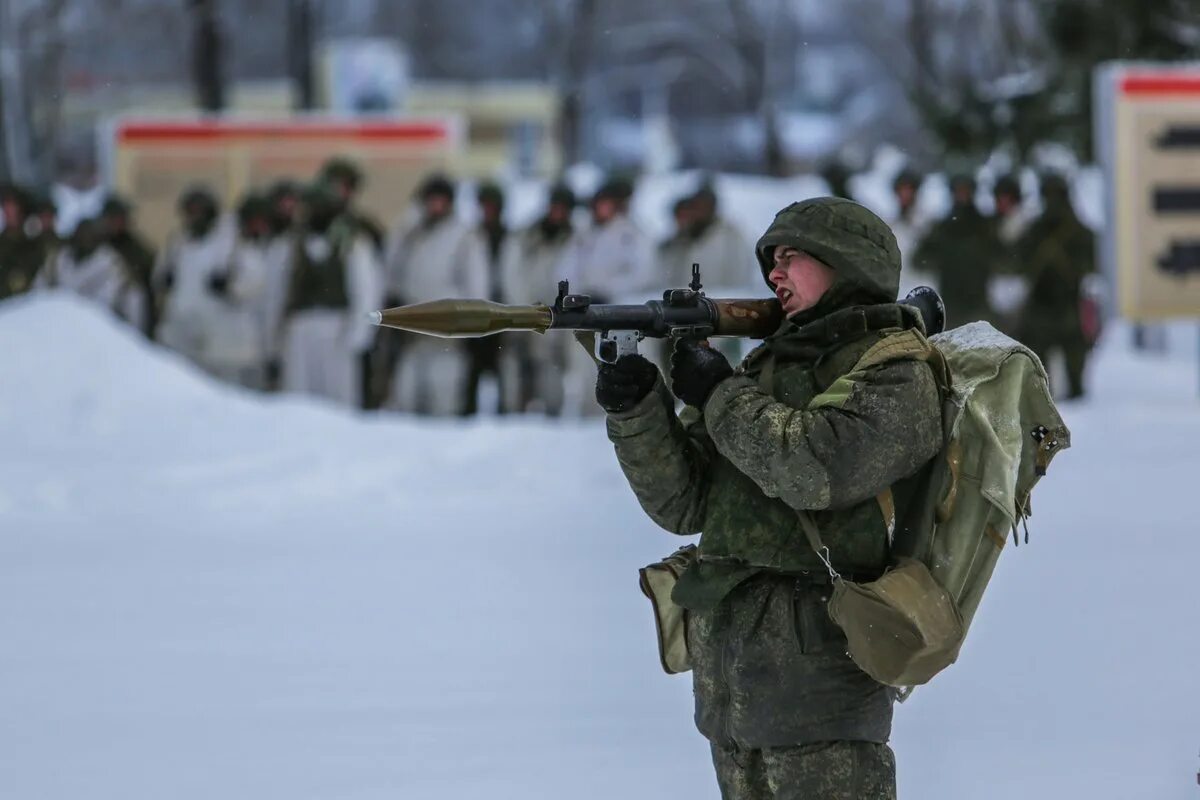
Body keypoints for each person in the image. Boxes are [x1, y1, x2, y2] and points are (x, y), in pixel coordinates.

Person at [594, 197, 943, 800]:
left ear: (847, 264)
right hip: (734, 690)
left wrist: (720, 393)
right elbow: (687, 503)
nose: (774, 275)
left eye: (791, 258)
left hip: (823, 691)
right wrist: (638, 411)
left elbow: (816, 468)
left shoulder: (896, 372)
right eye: (771, 262)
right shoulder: (770, 366)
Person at [383, 174, 487, 415]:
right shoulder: (411, 234)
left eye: (441, 200)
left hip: (448, 336)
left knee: (444, 403)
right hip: (412, 334)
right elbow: (393, 274)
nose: (435, 205)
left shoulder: (464, 236)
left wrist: (472, 324)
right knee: (406, 399)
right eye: (431, 200)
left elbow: (477, 285)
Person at [280, 182, 381, 405]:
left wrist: (358, 336)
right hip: (301, 328)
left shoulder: (353, 243)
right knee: (299, 399)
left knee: (338, 399)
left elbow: (366, 291)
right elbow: (279, 290)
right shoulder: (295, 242)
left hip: (337, 327)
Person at [557, 181, 653, 415]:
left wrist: (610, 289)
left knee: (621, 365)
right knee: (585, 365)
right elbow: (564, 270)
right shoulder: (584, 235)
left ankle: (622, 412)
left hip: (619, 310)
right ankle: (587, 411)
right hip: (586, 309)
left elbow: (644, 273)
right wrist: (577, 295)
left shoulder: (630, 234)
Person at [1014, 174, 1096, 399]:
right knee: (1044, 373)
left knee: (1067, 369)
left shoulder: (1073, 230)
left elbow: (1090, 265)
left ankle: (1061, 408)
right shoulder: (1049, 229)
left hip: (1066, 304)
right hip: (1048, 305)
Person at [500, 183, 576, 415]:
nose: (558, 213)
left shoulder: (575, 239)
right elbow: (511, 274)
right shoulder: (525, 237)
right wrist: (524, 310)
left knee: (551, 376)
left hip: (556, 320)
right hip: (522, 314)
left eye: (564, 209)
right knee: (515, 377)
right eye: (556, 207)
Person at [912, 173, 1003, 327]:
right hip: (950, 302)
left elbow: (1004, 260)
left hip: (978, 302)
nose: (962, 196)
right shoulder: (942, 227)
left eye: (965, 191)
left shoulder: (985, 227)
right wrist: (942, 261)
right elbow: (919, 260)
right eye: (958, 191)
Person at [37, 217, 149, 330]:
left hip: (100, 338)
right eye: (80, 235)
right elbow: (37, 296)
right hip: (55, 331)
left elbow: (134, 311)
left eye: (89, 235)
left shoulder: (117, 268)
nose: (84, 239)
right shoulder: (56, 262)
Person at [462, 182, 516, 415]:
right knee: (472, 368)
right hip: (475, 312)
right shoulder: (470, 238)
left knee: (504, 370)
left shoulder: (511, 238)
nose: (488, 211)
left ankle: (504, 415)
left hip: (504, 312)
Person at [99, 195, 157, 338]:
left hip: (128, 315)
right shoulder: (94, 245)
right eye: (113, 219)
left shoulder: (138, 250)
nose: (117, 223)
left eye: (121, 219)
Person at [0, 184, 44, 299]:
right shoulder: (3, 242)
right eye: (5, 205)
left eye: (12, 205)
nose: (7, 210)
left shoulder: (34, 244)